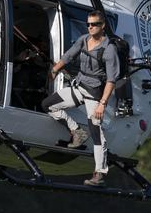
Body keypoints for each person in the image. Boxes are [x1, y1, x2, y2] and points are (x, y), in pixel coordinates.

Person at [41, 10, 119, 187]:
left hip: (94, 94)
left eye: (95, 24)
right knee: (48, 105)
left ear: (103, 26)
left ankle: (99, 172)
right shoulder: (83, 40)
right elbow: (69, 56)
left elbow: (111, 80)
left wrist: (102, 105)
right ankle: (76, 131)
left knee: (96, 131)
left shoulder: (109, 49)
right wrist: (56, 69)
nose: (91, 27)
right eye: (89, 24)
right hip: (78, 87)